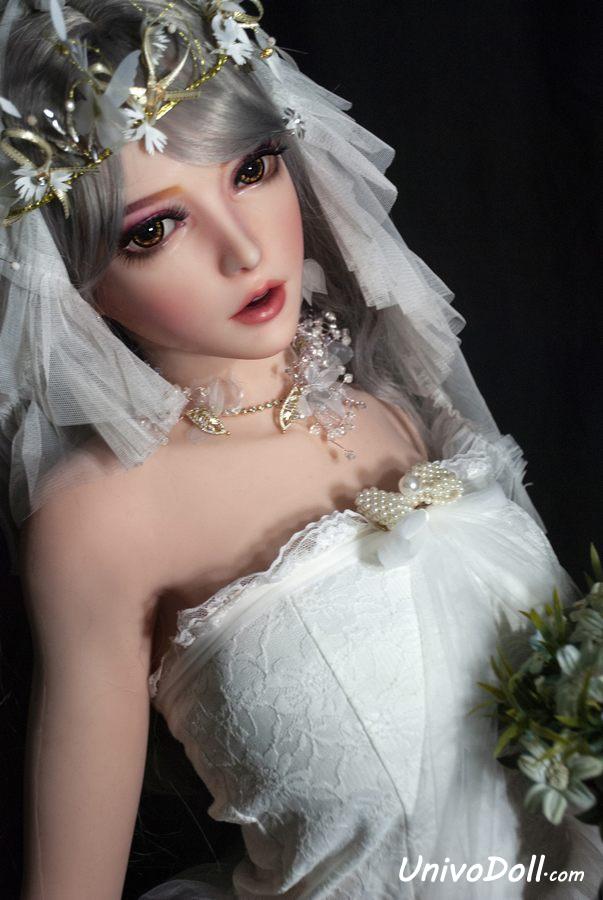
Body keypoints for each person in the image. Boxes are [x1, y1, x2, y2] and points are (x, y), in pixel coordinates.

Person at [0, 1, 600, 898]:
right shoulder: (106, 517)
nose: (245, 250)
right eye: (153, 230)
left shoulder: (393, 415)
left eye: (251, 169)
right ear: (71, 279)